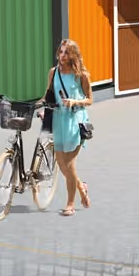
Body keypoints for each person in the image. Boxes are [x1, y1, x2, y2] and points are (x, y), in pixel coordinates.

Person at [43, 39, 94, 216]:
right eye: (60, 52)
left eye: (66, 53)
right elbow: (47, 96)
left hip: (75, 121)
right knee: (61, 164)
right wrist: (40, 108)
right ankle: (81, 187)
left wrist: (74, 101)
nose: (62, 56)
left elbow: (89, 100)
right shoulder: (53, 72)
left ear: (72, 55)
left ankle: (70, 204)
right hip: (58, 121)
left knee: (69, 164)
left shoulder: (81, 75)